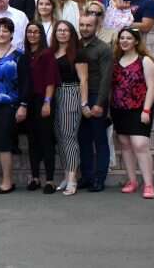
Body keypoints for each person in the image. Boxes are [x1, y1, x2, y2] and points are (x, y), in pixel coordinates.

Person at [0, 18, 30, 194]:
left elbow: (26, 83)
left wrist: (23, 105)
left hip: (9, 105)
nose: (1, 34)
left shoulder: (19, 56)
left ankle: (7, 182)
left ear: (11, 34)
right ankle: (3, 179)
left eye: (5, 30)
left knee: (3, 144)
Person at [112, 27, 154, 199]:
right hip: (119, 109)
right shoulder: (116, 60)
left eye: (128, 38)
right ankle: (132, 181)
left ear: (136, 41)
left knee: (140, 145)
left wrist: (146, 110)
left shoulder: (145, 60)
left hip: (140, 109)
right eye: (122, 38)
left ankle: (148, 184)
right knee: (125, 144)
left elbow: (152, 87)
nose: (124, 41)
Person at [76, 13, 112, 193]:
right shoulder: (76, 46)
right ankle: (87, 176)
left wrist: (99, 104)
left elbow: (107, 78)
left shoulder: (103, 49)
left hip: (97, 96)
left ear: (96, 26)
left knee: (99, 140)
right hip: (79, 97)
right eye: (82, 25)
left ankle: (99, 179)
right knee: (83, 139)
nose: (84, 28)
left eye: (88, 25)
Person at [50, 20, 87, 195]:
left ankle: (73, 179)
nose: (62, 33)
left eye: (66, 30)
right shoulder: (52, 52)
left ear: (71, 33)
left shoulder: (77, 53)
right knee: (59, 136)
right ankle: (66, 174)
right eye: (59, 30)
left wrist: (84, 103)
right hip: (54, 95)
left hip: (71, 93)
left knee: (69, 137)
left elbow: (84, 80)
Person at [22, 22, 59, 194]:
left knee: (46, 140)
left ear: (41, 34)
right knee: (33, 141)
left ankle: (50, 180)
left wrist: (47, 102)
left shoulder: (47, 53)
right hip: (29, 103)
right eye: (29, 32)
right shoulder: (26, 55)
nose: (32, 35)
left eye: (36, 32)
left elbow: (51, 80)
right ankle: (35, 177)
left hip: (43, 101)